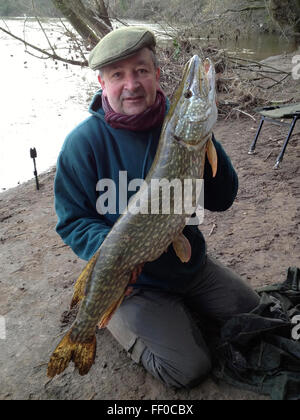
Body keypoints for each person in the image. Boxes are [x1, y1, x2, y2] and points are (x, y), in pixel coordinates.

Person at [54, 26, 260, 389]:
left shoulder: (179, 125)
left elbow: (223, 199)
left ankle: (175, 313)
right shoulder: (81, 144)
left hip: (189, 266)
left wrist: (206, 139)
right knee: (190, 368)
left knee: (253, 312)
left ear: (156, 75)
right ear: (102, 83)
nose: (131, 84)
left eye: (141, 71)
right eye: (118, 74)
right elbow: (72, 222)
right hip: (134, 284)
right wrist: (115, 253)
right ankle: (109, 316)